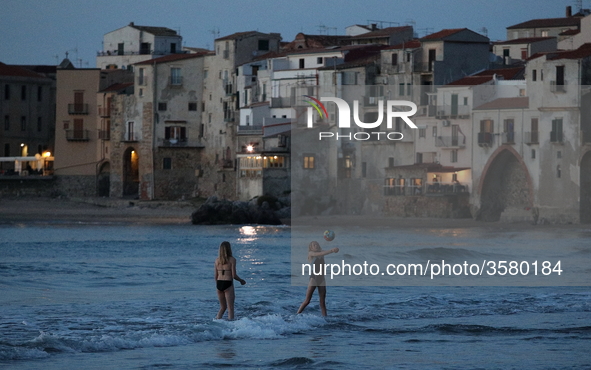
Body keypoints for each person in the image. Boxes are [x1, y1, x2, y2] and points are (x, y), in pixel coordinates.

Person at [297, 241, 339, 316]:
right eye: (314, 245)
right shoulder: (311, 254)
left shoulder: (322, 252)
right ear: (311, 247)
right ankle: (297, 314)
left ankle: (325, 318)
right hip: (314, 278)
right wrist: (331, 250)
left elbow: (324, 252)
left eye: (316, 244)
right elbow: (320, 254)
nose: (316, 245)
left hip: (322, 279)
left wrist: (335, 250)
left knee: (322, 302)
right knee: (307, 301)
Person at [214, 241, 246, 320]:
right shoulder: (232, 260)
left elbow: (215, 276)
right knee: (230, 308)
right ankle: (231, 325)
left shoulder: (217, 260)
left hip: (219, 284)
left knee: (222, 307)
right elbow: (234, 275)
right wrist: (241, 280)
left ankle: (217, 321)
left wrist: (218, 285)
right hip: (228, 283)